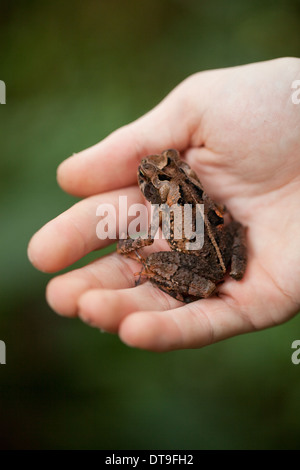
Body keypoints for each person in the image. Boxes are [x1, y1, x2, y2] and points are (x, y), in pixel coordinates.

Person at [28, 57, 300, 351]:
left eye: (162, 167)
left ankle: (184, 280)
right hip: (221, 244)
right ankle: (232, 242)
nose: (151, 166)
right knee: (230, 246)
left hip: (203, 262)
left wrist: (125, 247)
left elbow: (142, 239)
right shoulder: (195, 184)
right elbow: (214, 208)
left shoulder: (164, 209)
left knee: (154, 261)